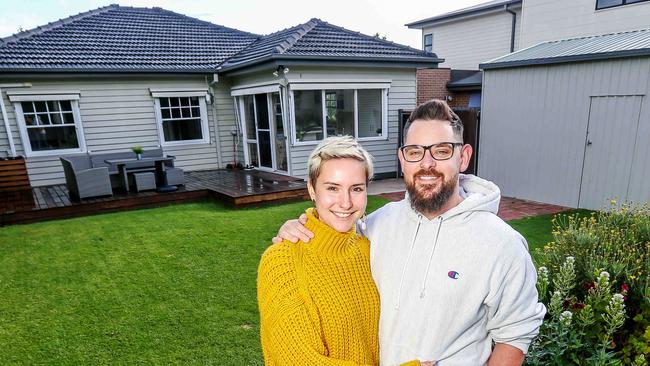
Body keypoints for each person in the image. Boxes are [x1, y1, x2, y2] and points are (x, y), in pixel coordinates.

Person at [273, 100, 546, 365]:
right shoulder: (376, 226)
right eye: (415, 152)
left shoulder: (502, 245)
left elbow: (515, 335)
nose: (427, 164)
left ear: (463, 158)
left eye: (441, 150)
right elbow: (331, 235)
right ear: (403, 160)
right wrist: (296, 229)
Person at [258, 136, 429, 365]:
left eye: (356, 189)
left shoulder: (369, 249)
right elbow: (297, 359)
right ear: (312, 189)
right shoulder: (281, 260)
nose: (345, 202)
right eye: (332, 188)